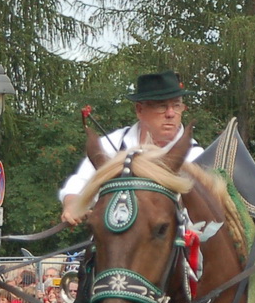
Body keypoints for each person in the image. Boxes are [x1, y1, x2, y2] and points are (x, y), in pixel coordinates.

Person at [58, 70, 205, 226]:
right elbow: (80, 182)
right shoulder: (112, 143)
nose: (170, 114)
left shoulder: (195, 156)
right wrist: (72, 205)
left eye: (176, 105)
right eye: (161, 106)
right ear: (139, 110)